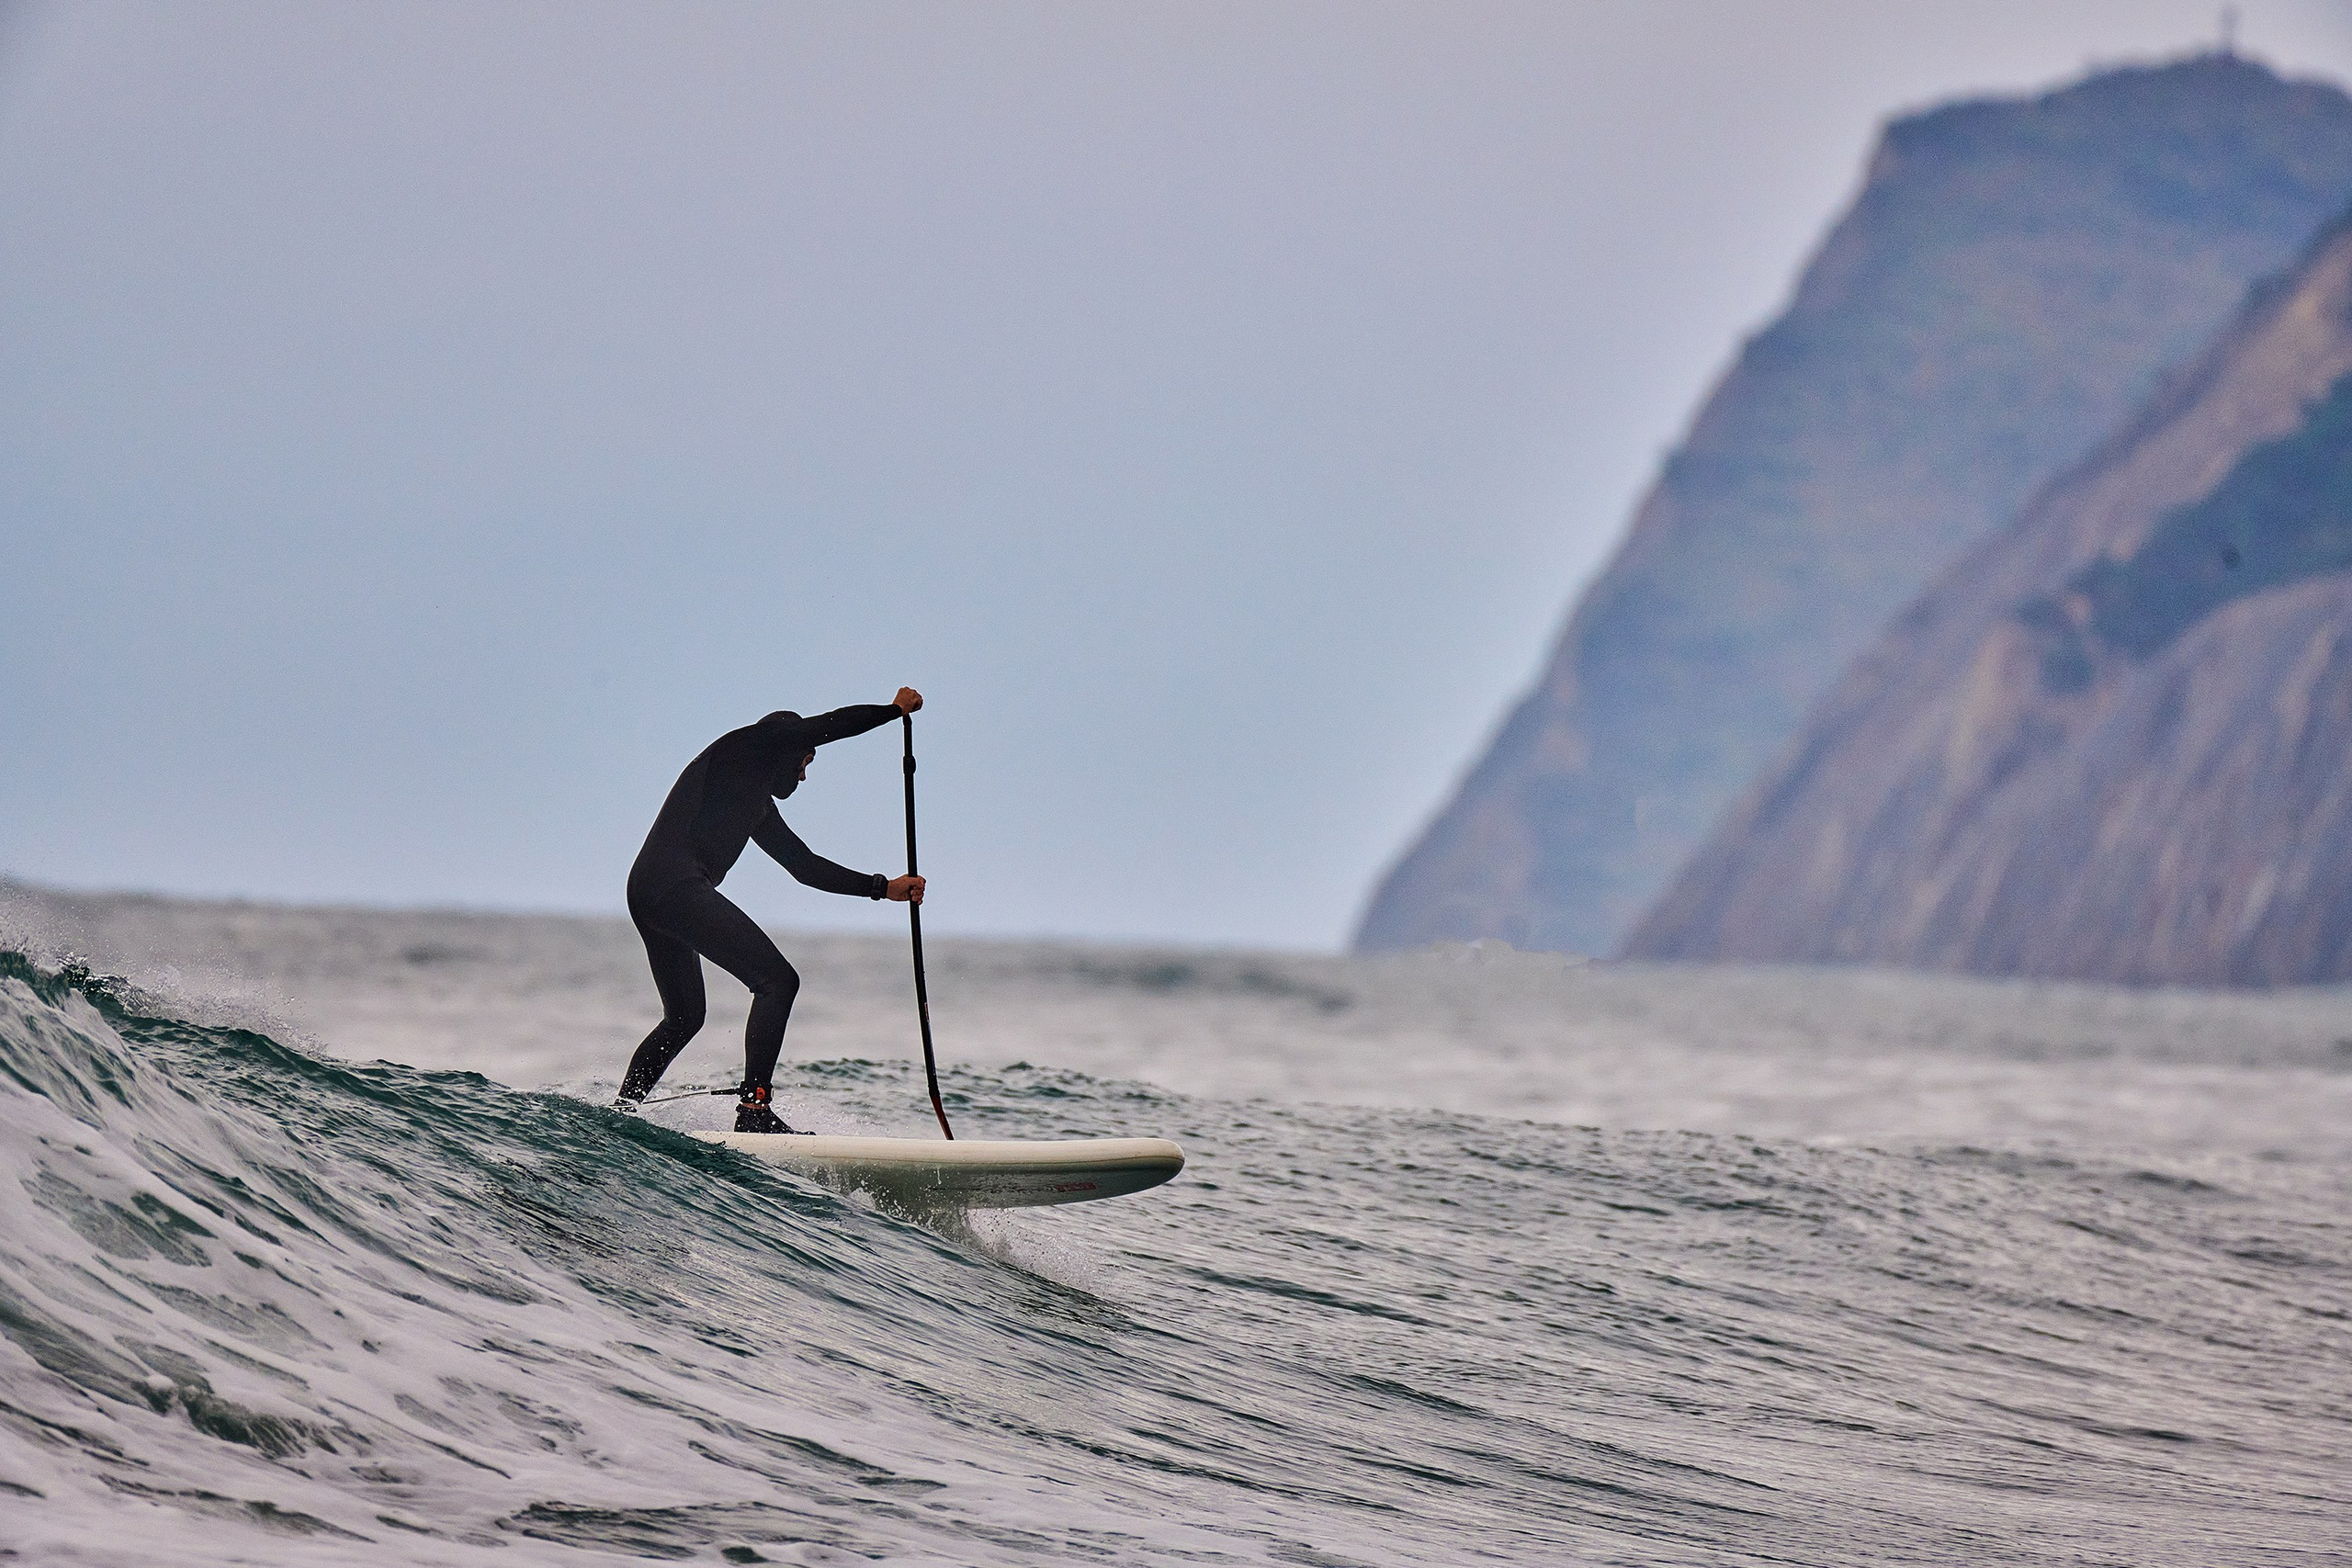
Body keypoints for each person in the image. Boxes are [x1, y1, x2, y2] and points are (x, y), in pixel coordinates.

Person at [616, 686, 926, 1131]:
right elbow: (832, 724)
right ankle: (754, 1111)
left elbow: (803, 865)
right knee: (777, 981)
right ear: (789, 747)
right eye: (806, 761)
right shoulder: (752, 746)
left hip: (649, 891)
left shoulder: (754, 801)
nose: (803, 776)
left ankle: (623, 1112)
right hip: (674, 886)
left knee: (685, 1017)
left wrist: (883, 888)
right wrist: (893, 711)